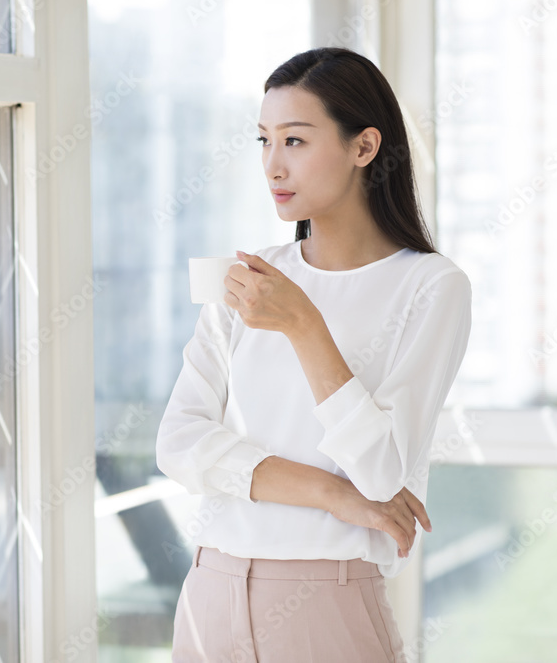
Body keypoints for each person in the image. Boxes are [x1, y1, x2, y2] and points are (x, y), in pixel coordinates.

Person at [155, 47, 473, 662]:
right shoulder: (249, 276)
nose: (273, 165)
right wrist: (334, 495)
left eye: (296, 141)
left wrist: (305, 325)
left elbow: (382, 472)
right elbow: (178, 442)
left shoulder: (432, 287)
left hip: (326, 604)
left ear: (364, 147)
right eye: (263, 140)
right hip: (211, 593)